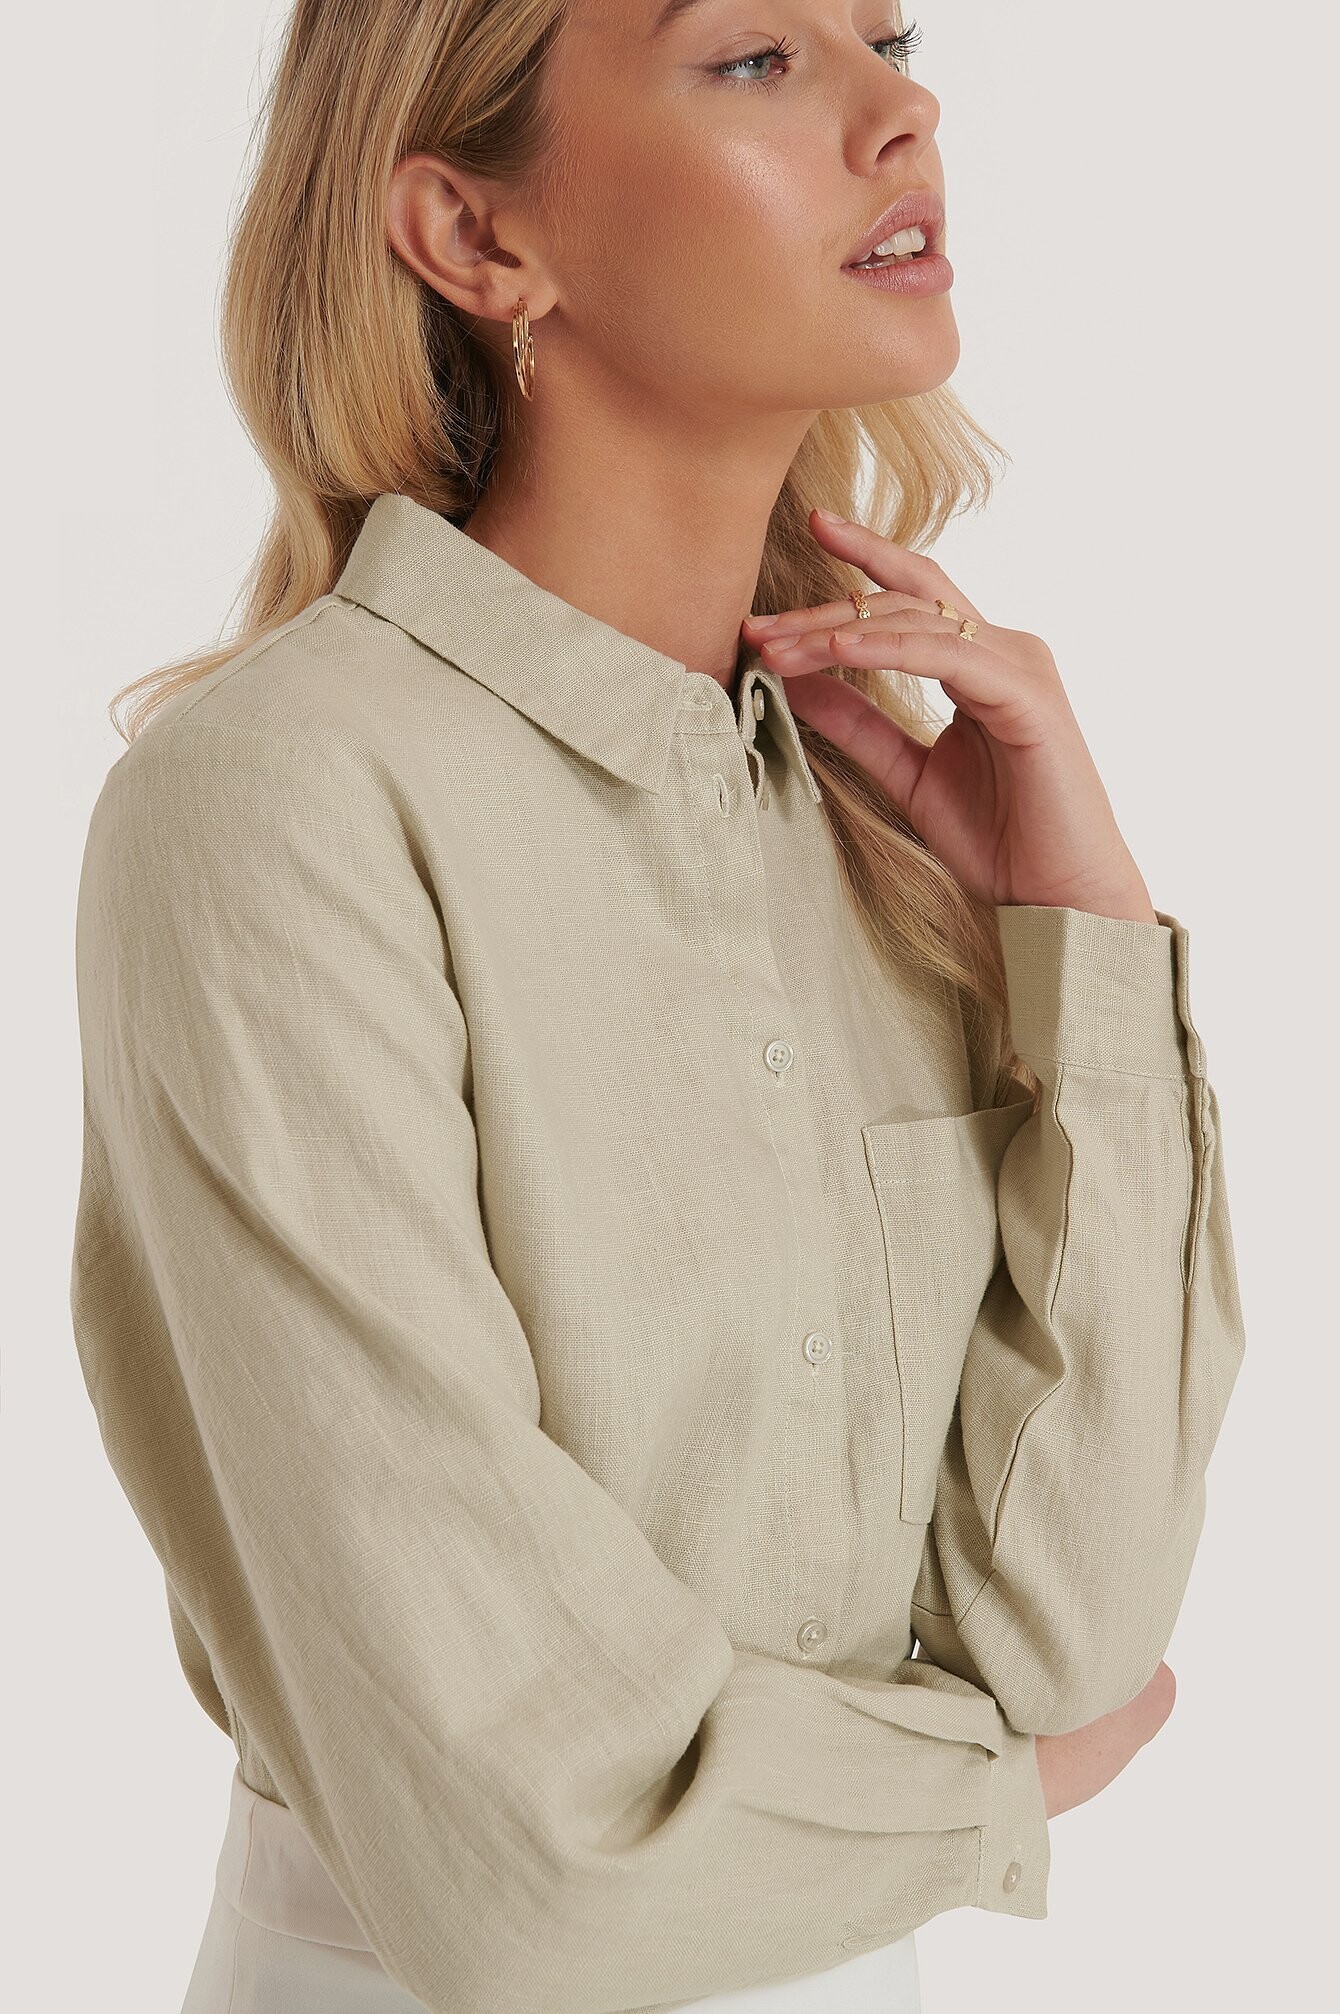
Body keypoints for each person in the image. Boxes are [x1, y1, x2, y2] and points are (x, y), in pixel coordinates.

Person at [67, 2, 1247, 2011]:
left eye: (884, 32)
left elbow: (1074, 1636)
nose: (906, 106)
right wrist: (1001, 1793)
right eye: (755, 58)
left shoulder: (890, 830)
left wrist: (1084, 929)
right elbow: (528, 1861)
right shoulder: (281, 808)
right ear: (478, 235)